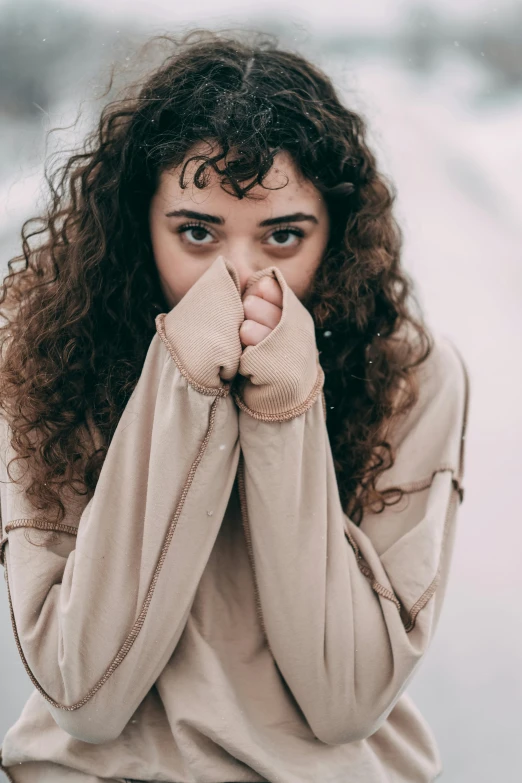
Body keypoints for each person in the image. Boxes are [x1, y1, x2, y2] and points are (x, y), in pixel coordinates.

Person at [0, 29, 470, 783]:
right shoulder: (51, 358)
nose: (240, 274)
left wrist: (285, 406)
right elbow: (84, 692)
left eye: (283, 236)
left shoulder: (413, 376)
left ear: (338, 237)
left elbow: (345, 697)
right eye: (196, 232)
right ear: (136, 228)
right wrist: (184, 385)